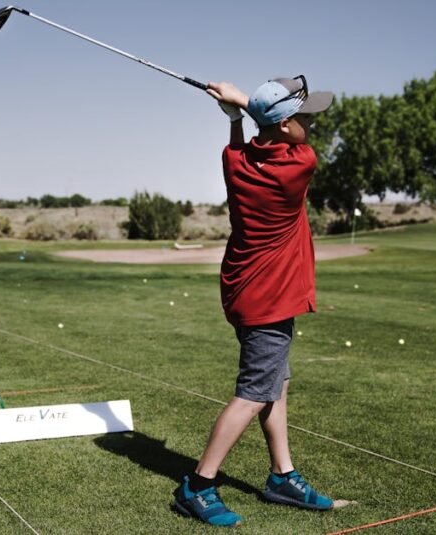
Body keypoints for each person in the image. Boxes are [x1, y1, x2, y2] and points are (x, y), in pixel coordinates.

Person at [172, 77, 336, 527]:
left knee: (275, 384)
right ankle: (198, 484)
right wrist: (239, 103)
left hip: (247, 291)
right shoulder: (299, 165)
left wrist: (233, 118)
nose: (309, 124)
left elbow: (242, 144)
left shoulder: (235, 160)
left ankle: (282, 475)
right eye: (302, 118)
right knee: (252, 393)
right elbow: (267, 128)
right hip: (270, 298)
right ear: (283, 126)